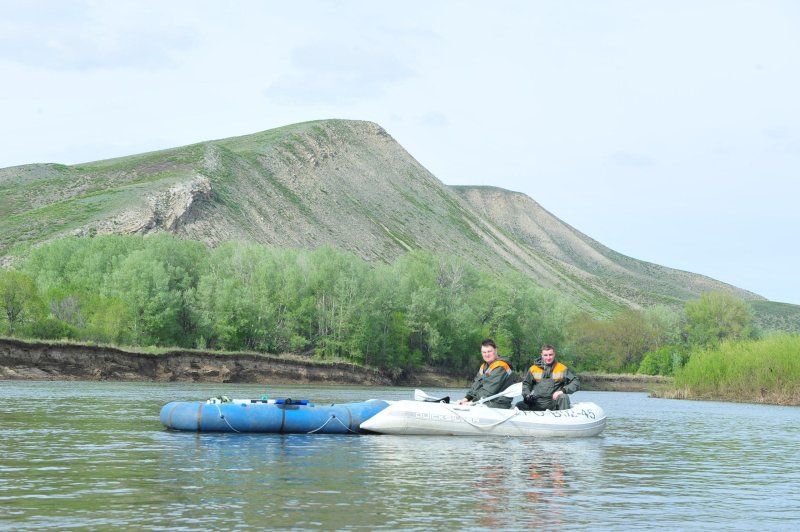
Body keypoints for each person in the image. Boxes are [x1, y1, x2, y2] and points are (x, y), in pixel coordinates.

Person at [516, 344, 580, 411]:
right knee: (519, 405)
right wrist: (527, 395)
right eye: (546, 355)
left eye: (550, 354)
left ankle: (564, 419)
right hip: (537, 402)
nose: (548, 358)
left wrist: (562, 391)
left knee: (564, 397)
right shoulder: (533, 369)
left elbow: (576, 382)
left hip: (554, 402)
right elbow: (526, 384)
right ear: (542, 355)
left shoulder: (562, 368)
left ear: (554, 354)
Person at [457, 339, 514, 409]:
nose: (486, 354)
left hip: (499, 403)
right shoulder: (484, 366)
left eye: (489, 351)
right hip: (485, 401)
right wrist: (466, 399)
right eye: (484, 352)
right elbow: (476, 386)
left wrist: (472, 402)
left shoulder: (501, 366)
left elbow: (488, 391)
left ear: (496, 350)